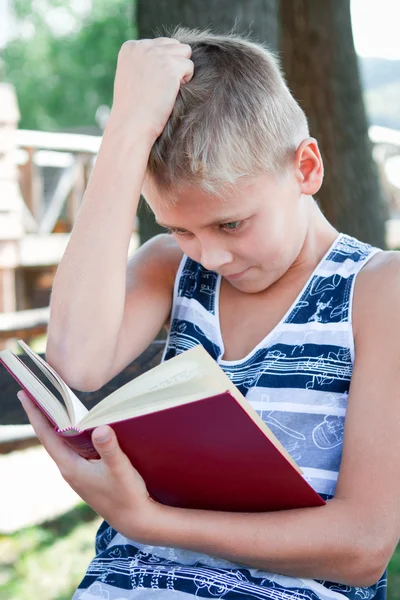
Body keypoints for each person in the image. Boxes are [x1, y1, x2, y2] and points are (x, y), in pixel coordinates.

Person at [18, 28, 400, 600]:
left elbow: (364, 548)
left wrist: (151, 523)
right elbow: (74, 362)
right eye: (179, 228)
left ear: (306, 168)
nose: (211, 256)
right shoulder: (172, 269)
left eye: (231, 224)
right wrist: (125, 133)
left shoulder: (378, 290)